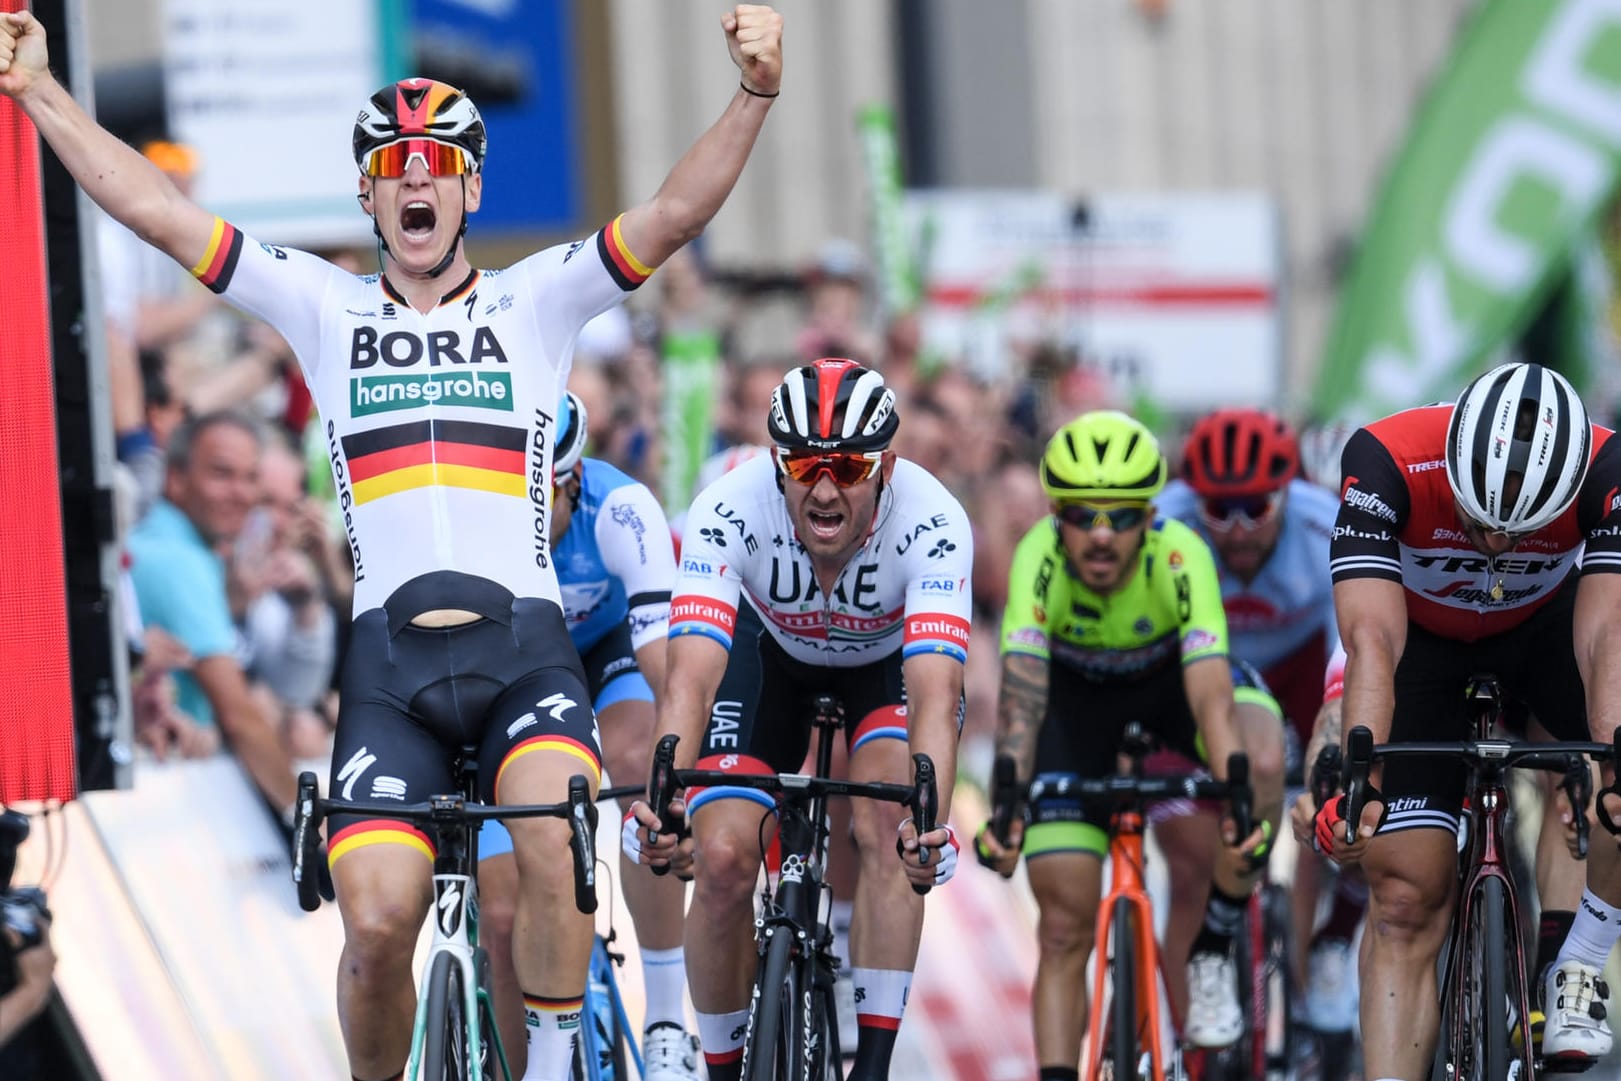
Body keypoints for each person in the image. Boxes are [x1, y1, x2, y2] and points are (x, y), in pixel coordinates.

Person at [0, 7, 785, 1078]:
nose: (417, 179)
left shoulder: (537, 301)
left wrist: (755, 93)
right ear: (369, 195)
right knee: (373, 931)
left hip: (524, 654)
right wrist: (40, 91)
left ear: (468, 189)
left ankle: (553, 1063)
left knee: (554, 836)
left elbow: (677, 213)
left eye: (440, 164)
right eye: (392, 166)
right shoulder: (321, 305)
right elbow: (157, 214)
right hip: (390, 671)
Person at [625, 358, 971, 1081]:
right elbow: (691, 673)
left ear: (886, 466)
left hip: (882, 668)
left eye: (846, 467)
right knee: (719, 863)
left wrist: (927, 821)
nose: (822, 486)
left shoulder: (933, 520)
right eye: (803, 463)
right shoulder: (728, 505)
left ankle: (869, 1067)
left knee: (885, 825)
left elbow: (935, 691)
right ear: (776, 461)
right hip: (766, 657)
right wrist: (663, 796)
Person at [1316, 361, 1621, 1077]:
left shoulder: (1606, 467)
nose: (1494, 543)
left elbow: (1607, 634)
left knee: (1606, 774)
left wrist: (1609, 756)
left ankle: (1575, 962)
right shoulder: (1385, 458)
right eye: (1477, 522)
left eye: (1518, 530)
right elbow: (1371, 642)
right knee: (1402, 897)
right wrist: (1363, 775)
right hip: (1421, 644)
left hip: (1542, 629)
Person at [974, 410, 1285, 1076]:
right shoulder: (1037, 558)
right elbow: (1023, 695)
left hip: (1171, 688)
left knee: (1258, 759)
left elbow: (1208, 690)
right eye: (1082, 515)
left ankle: (1210, 948)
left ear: (1149, 515)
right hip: (1073, 709)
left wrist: (1230, 782)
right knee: (1062, 923)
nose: (1100, 534)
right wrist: (1007, 797)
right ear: (1056, 514)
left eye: (1120, 516)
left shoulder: (1182, 554)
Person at [476, 392, 697, 1080]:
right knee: (504, 913)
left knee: (639, 762)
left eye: (542, 501)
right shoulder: (469, 517)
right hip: (509, 675)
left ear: (573, 478)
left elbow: (668, 671)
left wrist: (678, 784)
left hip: (607, 657)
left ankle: (665, 1018)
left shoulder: (622, 509)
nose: (529, 521)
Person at [1154, 408, 1358, 1030]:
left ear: (1286, 495)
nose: (1238, 530)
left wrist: (1333, 759)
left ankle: (1326, 948)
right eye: (1219, 510)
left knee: (1338, 808)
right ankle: (1198, 1050)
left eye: (1255, 510)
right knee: (1192, 868)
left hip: (1302, 669)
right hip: (1201, 672)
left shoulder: (1325, 528)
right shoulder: (1163, 524)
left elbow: (1348, 654)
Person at [126, 411, 300, 809]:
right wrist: (318, 829)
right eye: (222, 474)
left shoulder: (172, 545)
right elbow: (239, 717)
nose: (241, 493)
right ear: (176, 478)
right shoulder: (179, 561)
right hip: (160, 801)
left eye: (251, 477)